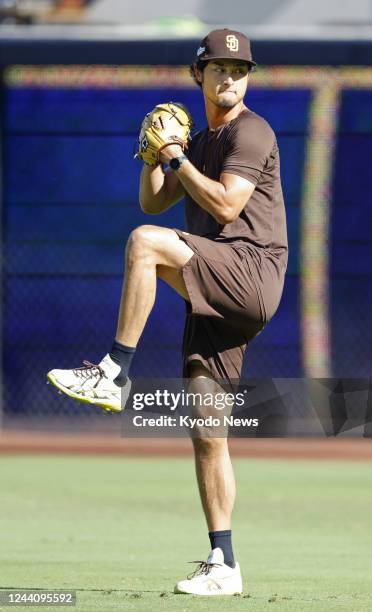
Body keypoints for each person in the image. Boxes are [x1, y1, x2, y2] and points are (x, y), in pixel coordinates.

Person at [48, 28, 288, 596]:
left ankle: (114, 371)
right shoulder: (201, 143)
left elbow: (227, 204)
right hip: (216, 284)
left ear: (248, 77)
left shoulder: (252, 131)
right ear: (198, 75)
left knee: (144, 244)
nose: (229, 76)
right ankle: (223, 563)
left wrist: (176, 156)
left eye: (240, 68)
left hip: (250, 270)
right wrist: (155, 155)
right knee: (207, 429)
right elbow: (153, 199)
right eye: (219, 68)